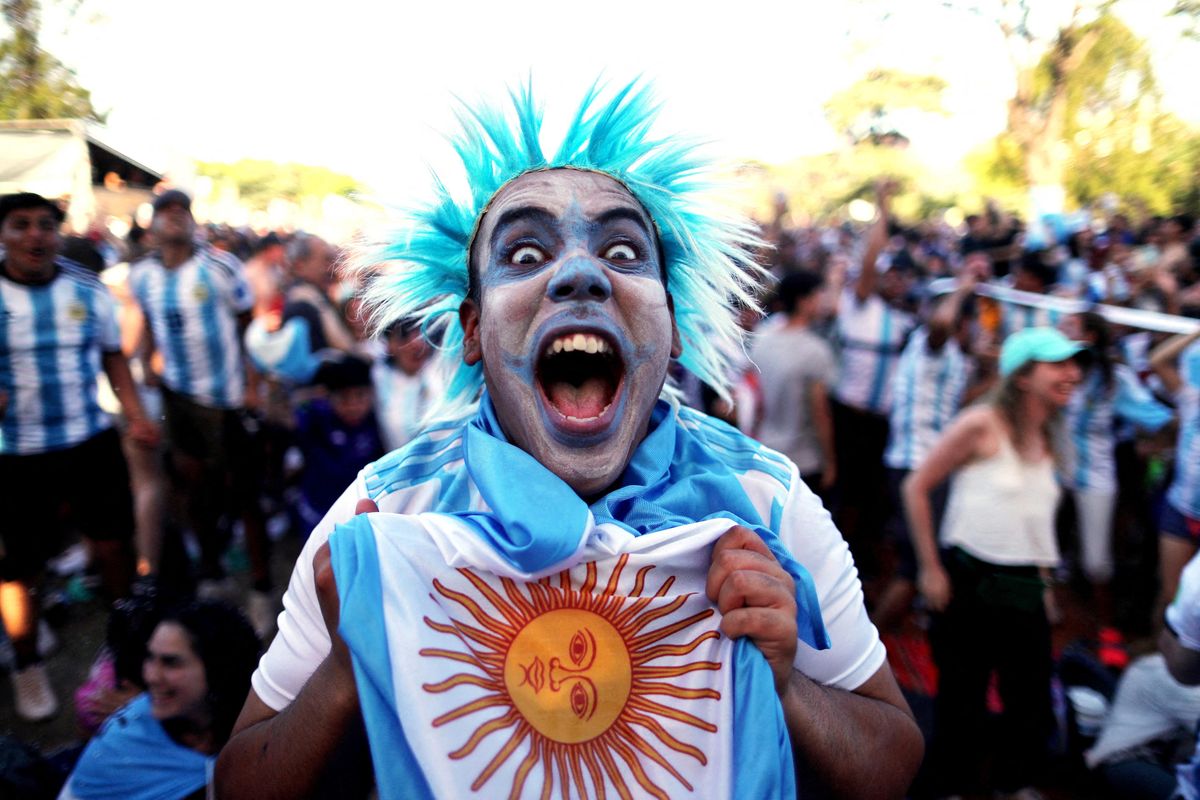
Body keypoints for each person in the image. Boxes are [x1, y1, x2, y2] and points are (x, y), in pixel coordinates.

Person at [216, 80, 923, 799]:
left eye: (622, 251)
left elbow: (893, 760)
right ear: (471, 331)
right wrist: (349, 665)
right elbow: (236, 783)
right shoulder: (389, 513)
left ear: (672, 327)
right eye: (524, 256)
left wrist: (786, 681)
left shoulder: (763, 500)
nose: (581, 273)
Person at [904, 326, 1083, 797]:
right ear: (1023, 376)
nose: (1073, 373)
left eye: (1073, 363)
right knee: (962, 697)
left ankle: (1012, 784)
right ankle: (953, 785)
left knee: (1031, 702)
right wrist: (930, 568)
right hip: (970, 580)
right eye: (1058, 364)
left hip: (1025, 588)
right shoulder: (981, 424)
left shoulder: (1050, 436)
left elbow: (1035, 524)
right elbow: (916, 487)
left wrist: (1045, 591)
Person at [0, 193, 158, 721]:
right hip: (15, 454)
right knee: (18, 569)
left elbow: (113, 354)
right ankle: (27, 664)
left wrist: (135, 414)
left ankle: (124, 648)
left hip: (89, 442)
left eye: (45, 225)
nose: (35, 236)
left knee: (114, 549)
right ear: (3, 234)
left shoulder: (86, 288)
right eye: (20, 225)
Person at [126, 190, 258, 597]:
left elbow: (245, 322)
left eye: (182, 210)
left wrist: (253, 385)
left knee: (245, 493)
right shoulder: (142, 275)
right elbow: (147, 319)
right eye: (166, 211)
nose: (175, 217)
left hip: (228, 399)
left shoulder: (220, 266)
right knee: (194, 487)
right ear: (152, 224)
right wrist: (148, 360)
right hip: (179, 397)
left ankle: (261, 586)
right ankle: (212, 571)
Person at [59, 600, 260, 800]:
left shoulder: (258, 717)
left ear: (219, 669)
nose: (151, 676)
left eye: (170, 663)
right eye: (150, 658)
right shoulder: (122, 747)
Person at [749, 270, 837, 498]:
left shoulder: (761, 338)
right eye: (819, 295)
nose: (823, 302)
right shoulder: (815, 351)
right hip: (802, 460)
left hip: (763, 450)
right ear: (803, 301)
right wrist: (829, 462)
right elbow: (820, 413)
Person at [291, 354, 386, 536]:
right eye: (343, 398)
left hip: (362, 515)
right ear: (328, 397)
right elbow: (285, 414)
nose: (353, 405)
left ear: (371, 393)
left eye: (360, 396)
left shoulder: (379, 421)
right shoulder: (315, 418)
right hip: (318, 513)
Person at [1151, 328, 1200, 624]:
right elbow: (1159, 359)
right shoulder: (1191, 398)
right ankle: (1158, 662)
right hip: (1181, 509)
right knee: (1170, 596)